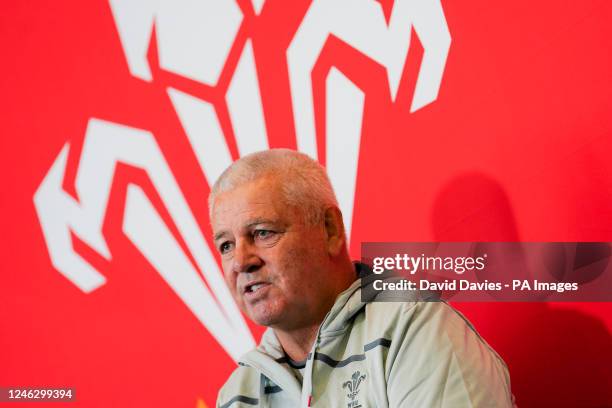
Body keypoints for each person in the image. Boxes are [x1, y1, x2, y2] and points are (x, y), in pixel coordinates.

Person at [210, 149, 514, 407]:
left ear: (330, 230)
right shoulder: (238, 394)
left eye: (263, 233)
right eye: (226, 245)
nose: (240, 261)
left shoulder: (413, 329)